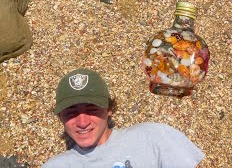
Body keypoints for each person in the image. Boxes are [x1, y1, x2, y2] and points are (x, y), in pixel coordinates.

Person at [42, 68, 205, 168]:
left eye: (92, 109)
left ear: (109, 110)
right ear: (60, 117)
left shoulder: (152, 137)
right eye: (71, 112)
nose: (83, 122)